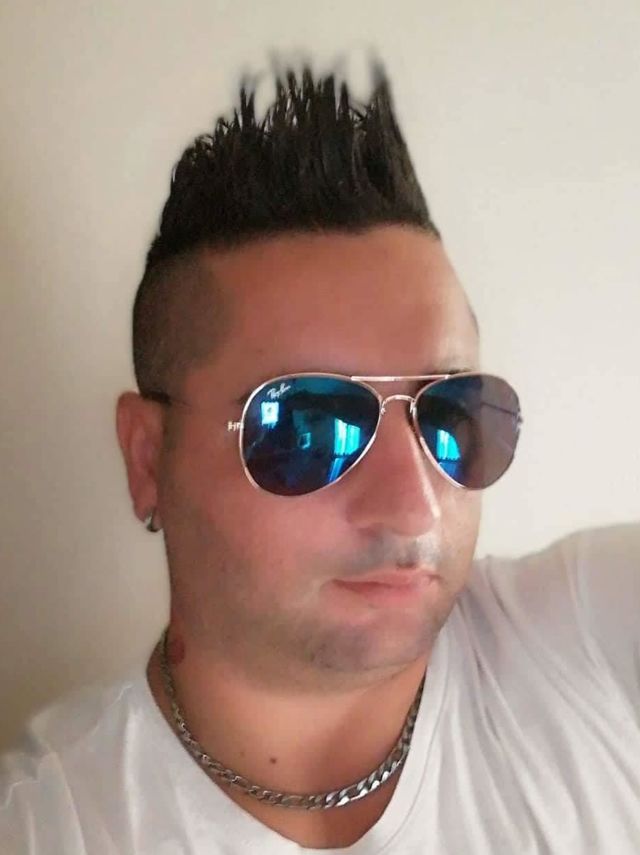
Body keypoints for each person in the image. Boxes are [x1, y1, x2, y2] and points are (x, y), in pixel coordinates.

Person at [1, 64, 639, 855]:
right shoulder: (54, 826)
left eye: (451, 414)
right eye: (308, 425)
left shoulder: (592, 641)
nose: (414, 505)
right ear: (148, 456)